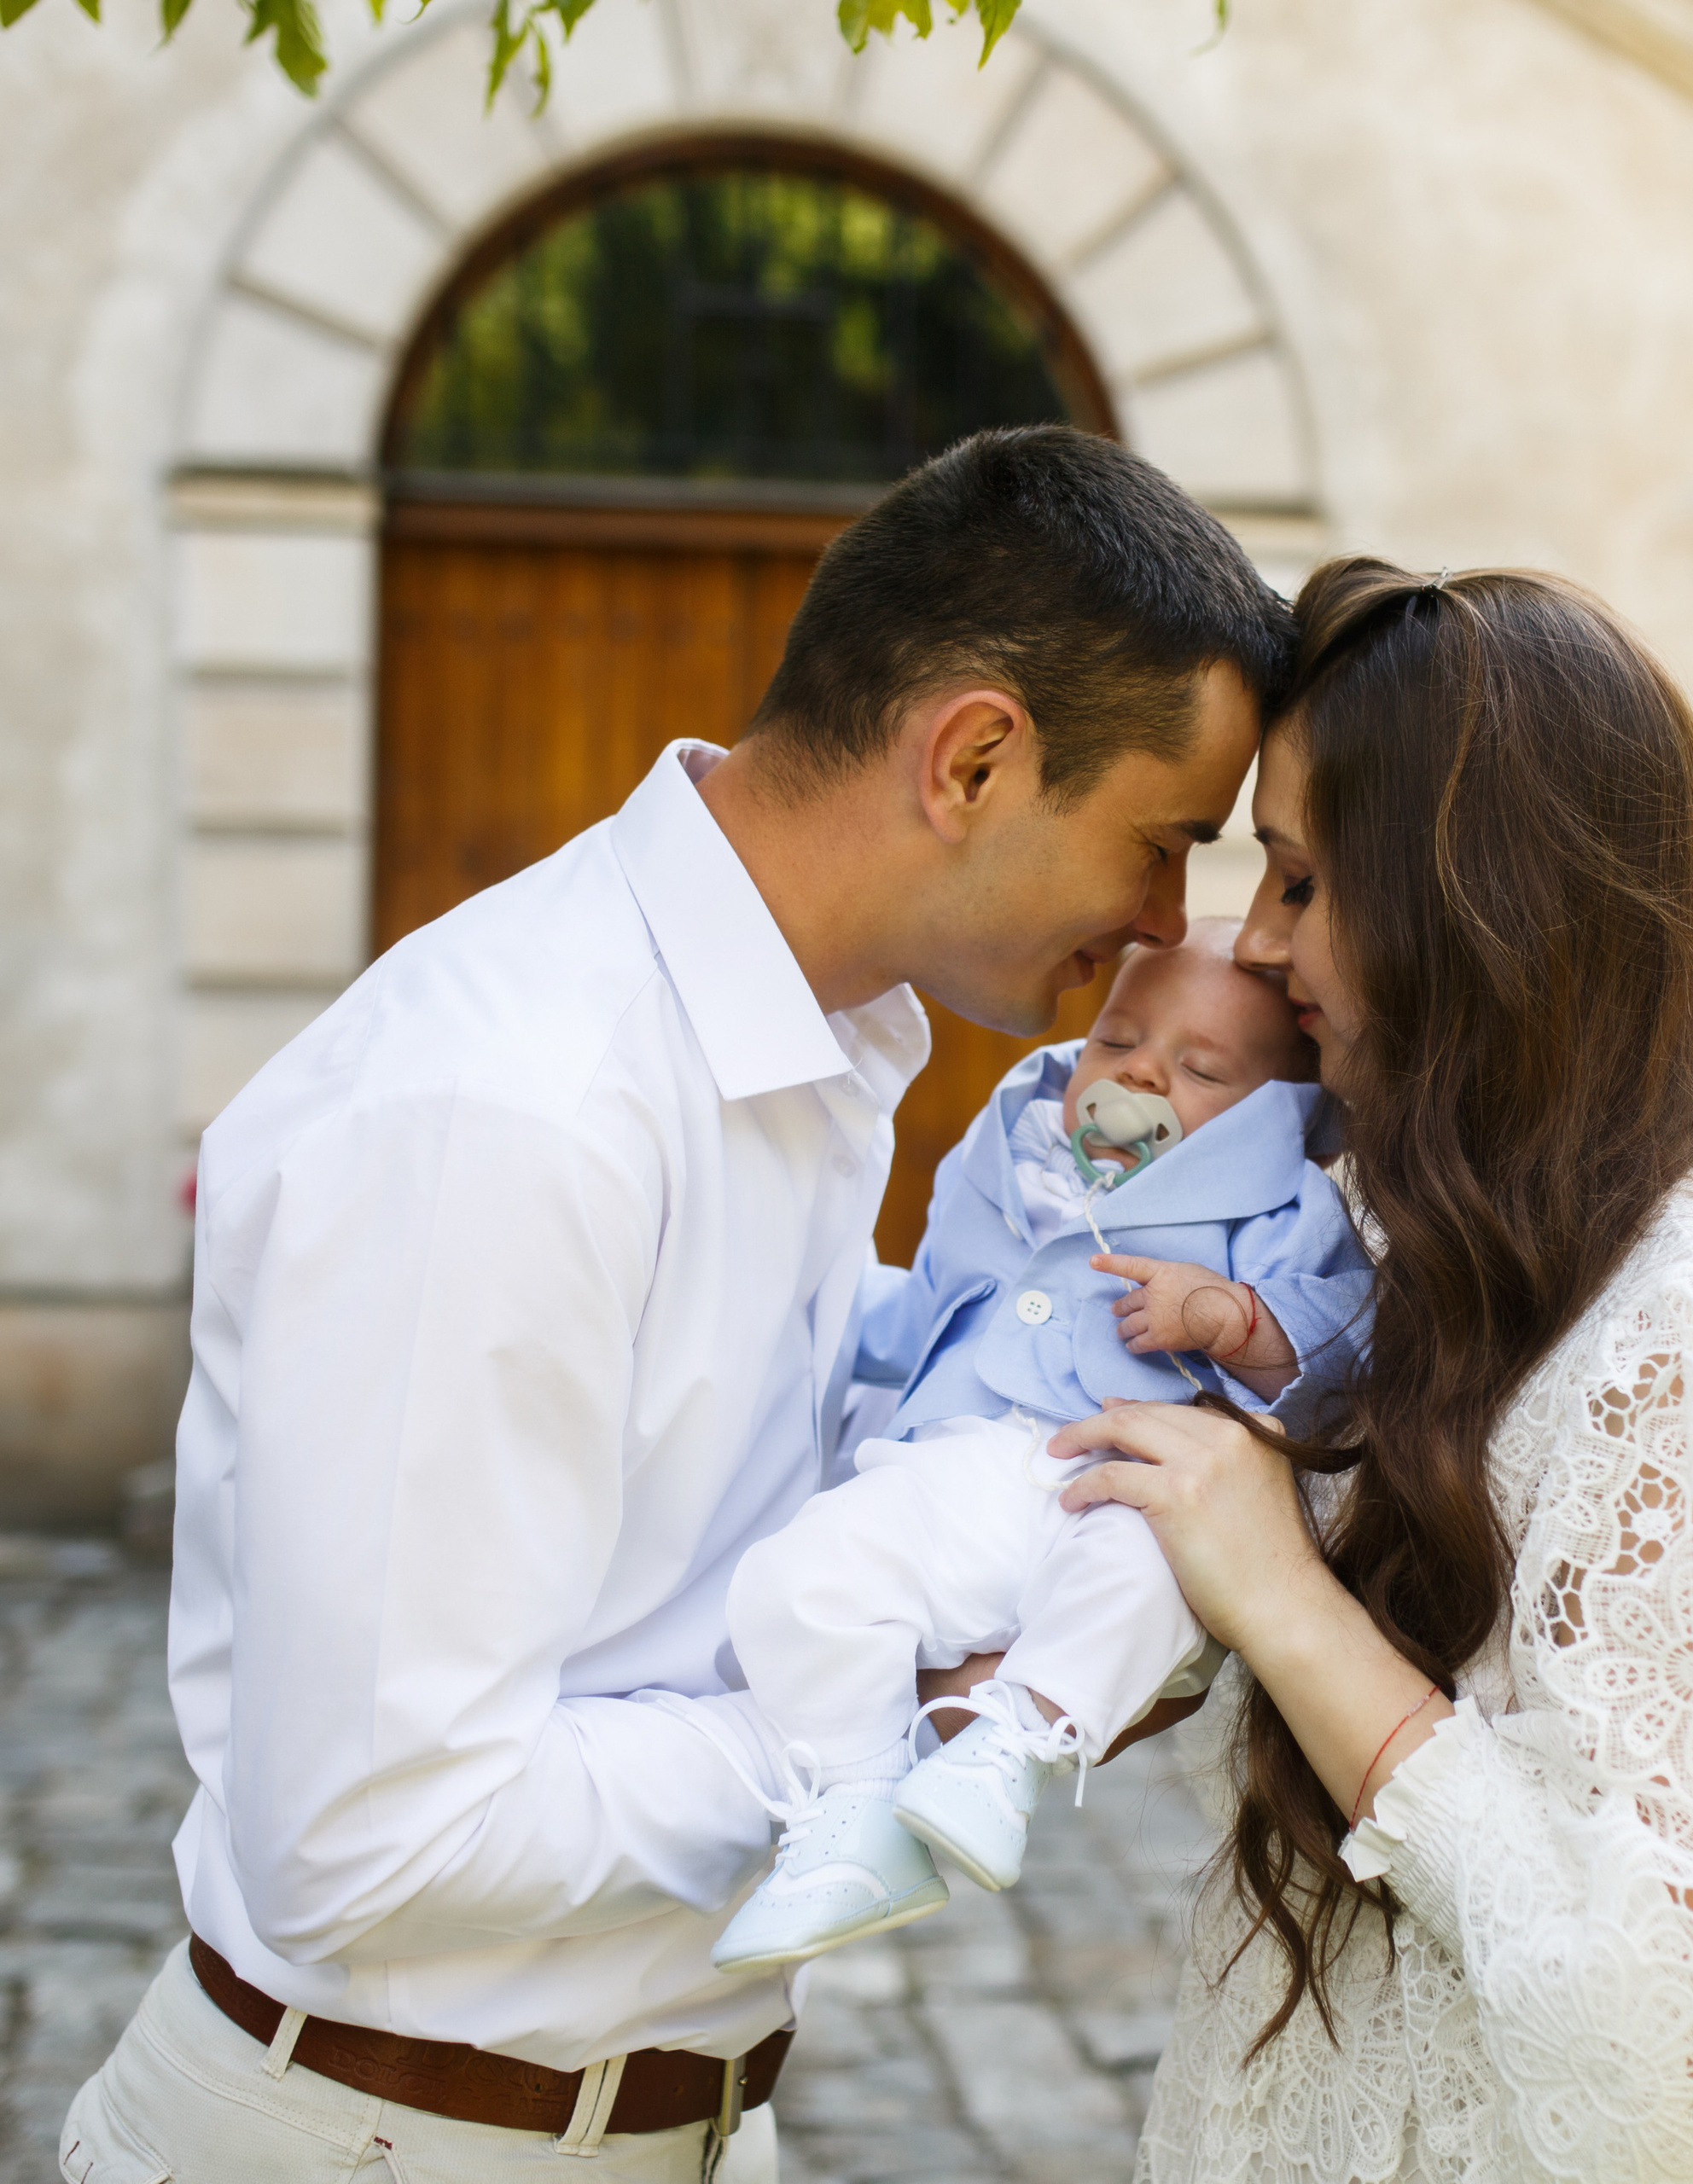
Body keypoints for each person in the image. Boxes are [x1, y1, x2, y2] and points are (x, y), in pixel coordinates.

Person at [60, 427, 1293, 2184]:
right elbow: (362, 1834)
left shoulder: (817, 1053)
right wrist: (917, 1711)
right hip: (375, 2140)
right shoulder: (512, 1107)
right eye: (1160, 840)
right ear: (973, 757)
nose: (1175, 919)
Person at [1051, 562, 1693, 2183]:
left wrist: (1285, 1602)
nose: (1252, 942)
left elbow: (1656, 2056)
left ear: (1482, 904)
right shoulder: (1411, 1225)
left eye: (1304, 884)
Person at [713, 919, 1374, 1972]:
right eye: (1116, 1040)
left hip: (1127, 1479)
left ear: (1272, 1116)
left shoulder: (1282, 1204)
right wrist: (811, 1320)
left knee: (1146, 1578)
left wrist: (1235, 1320)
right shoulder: (1011, 1150)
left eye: (1202, 1069)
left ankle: (1011, 1748)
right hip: (966, 1465)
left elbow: (1351, 1343)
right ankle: (853, 1806)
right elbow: (939, 1303)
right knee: (800, 1578)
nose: (1143, 1071)